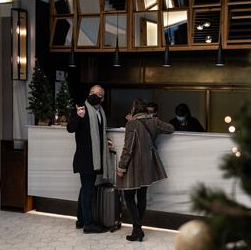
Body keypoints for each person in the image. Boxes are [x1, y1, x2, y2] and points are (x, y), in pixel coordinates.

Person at [116, 98, 174, 241]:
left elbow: (128, 148)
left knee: (129, 196)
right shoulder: (154, 121)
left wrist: (121, 167)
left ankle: (137, 229)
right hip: (148, 165)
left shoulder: (132, 124)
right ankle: (138, 230)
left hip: (134, 165)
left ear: (134, 110)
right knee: (142, 195)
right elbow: (171, 128)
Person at [67, 85, 114, 234]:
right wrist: (78, 117)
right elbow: (70, 128)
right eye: (93, 93)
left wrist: (104, 142)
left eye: (99, 94)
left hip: (93, 158)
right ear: (88, 94)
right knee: (88, 191)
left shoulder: (100, 112)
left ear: (103, 98)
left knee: (85, 189)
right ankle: (88, 224)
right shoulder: (82, 109)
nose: (95, 95)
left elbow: (96, 134)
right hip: (85, 159)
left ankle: (81, 220)